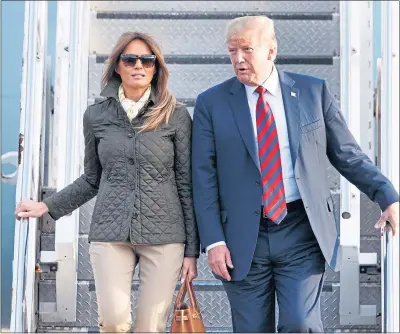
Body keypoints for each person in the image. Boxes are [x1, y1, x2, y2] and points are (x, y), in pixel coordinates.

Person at [191, 15, 399, 333]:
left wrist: (387, 195)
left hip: (301, 230)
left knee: (300, 324)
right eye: (232, 51)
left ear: (271, 51)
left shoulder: (312, 92)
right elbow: (203, 177)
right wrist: (214, 240)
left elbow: (347, 155)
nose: (238, 59)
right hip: (242, 237)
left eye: (247, 49)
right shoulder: (212, 103)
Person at [15, 32, 200, 333]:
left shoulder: (175, 115)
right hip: (111, 232)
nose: (138, 65)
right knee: (113, 323)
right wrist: (47, 205)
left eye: (147, 60)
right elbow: (92, 178)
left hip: (165, 234)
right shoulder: (96, 116)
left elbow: (185, 183)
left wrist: (192, 250)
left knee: (150, 327)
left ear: (156, 67)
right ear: (117, 66)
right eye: (130, 59)